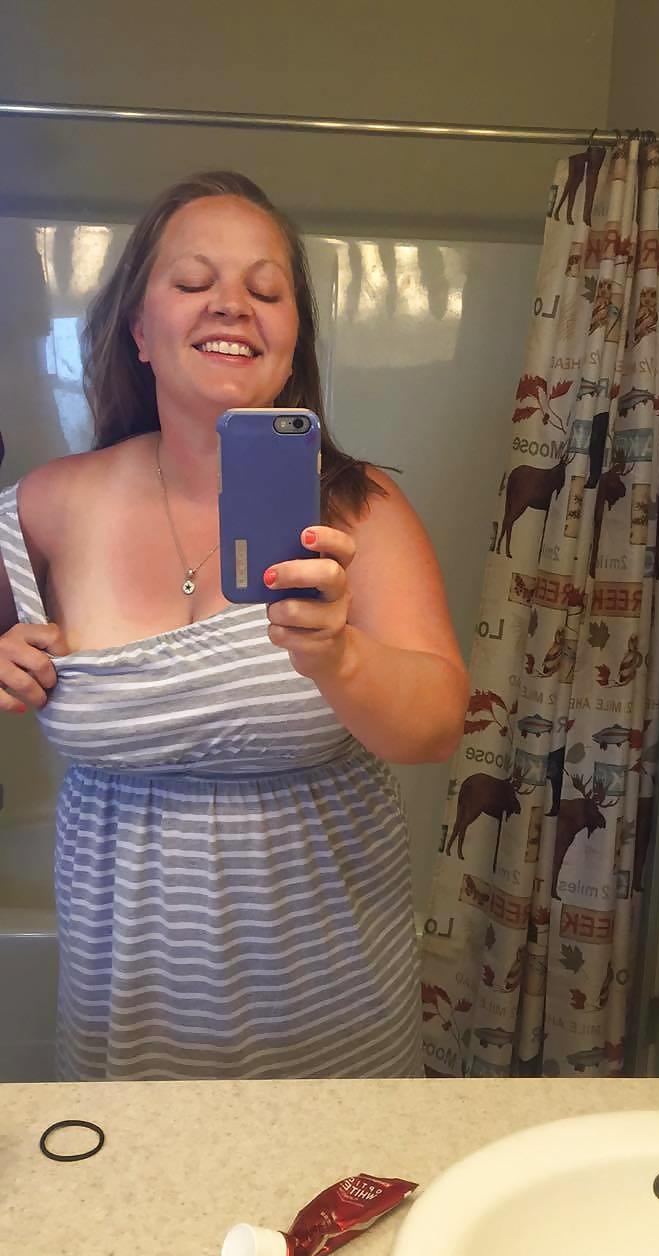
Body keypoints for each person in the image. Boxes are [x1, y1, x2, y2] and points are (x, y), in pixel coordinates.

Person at [0, 171, 468, 1081]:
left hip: (332, 1006)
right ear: (139, 331)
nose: (231, 304)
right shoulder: (45, 508)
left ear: (292, 347)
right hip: (128, 1011)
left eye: (266, 289)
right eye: (192, 281)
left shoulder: (359, 509)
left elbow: (438, 726)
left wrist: (341, 658)